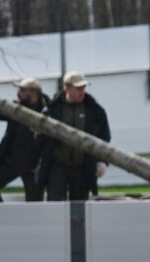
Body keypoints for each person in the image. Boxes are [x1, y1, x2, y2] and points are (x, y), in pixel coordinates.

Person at [36, 71, 111, 203]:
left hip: (82, 167)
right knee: (55, 206)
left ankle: (78, 224)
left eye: (83, 88)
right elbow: (39, 139)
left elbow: (104, 137)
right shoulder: (52, 110)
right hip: (57, 167)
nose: (82, 92)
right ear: (66, 88)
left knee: (80, 209)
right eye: (78, 88)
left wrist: (102, 161)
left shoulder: (95, 110)